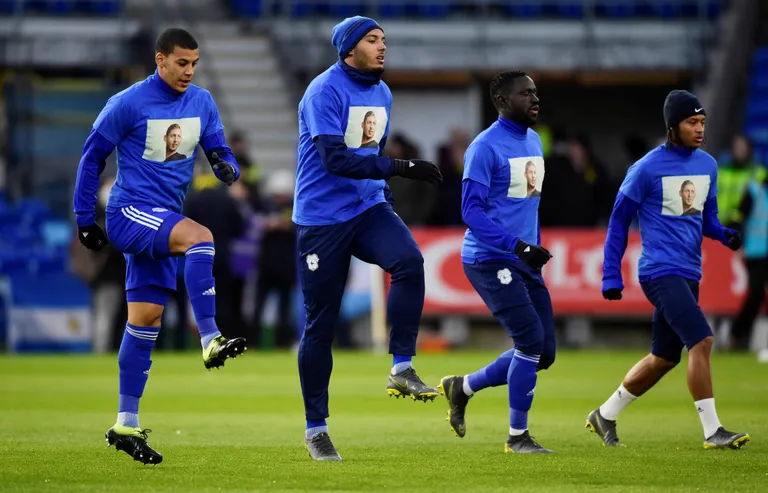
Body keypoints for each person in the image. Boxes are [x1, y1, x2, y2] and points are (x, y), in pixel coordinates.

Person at [72, 28, 247, 465]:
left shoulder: (202, 102)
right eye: (182, 63)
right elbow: (92, 156)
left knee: (146, 319)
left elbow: (219, 148)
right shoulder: (128, 102)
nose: (189, 71)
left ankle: (125, 423)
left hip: (162, 219)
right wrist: (83, 218)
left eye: (194, 63)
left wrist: (227, 165)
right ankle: (209, 337)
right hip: (130, 213)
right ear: (160, 60)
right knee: (201, 237)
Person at [294, 15, 443, 461]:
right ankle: (316, 430)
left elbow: (369, 153)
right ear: (349, 48)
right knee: (321, 326)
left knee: (409, 262)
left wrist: (385, 191)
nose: (382, 47)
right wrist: (400, 166)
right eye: (373, 40)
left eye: (384, 40)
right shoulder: (324, 90)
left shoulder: (382, 91)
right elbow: (335, 159)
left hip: (367, 208)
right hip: (321, 220)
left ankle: (401, 366)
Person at [590, 90, 749, 450]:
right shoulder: (646, 168)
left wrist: (724, 234)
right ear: (672, 127)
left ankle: (605, 414)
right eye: (692, 122)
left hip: (689, 273)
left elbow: (706, 219)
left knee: (663, 358)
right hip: (660, 272)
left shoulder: (708, 165)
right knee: (703, 339)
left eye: (703, 123)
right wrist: (611, 274)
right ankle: (713, 432)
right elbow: (619, 221)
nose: (700, 129)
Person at [437, 70, 556, 454]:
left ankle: (463, 387)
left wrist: (530, 248)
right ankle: (517, 437)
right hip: (490, 258)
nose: (535, 99)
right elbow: (470, 212)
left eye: (536, 93)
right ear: (503, 102)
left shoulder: (535, 140)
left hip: (523, 259)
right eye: (526, 94)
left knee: (545, 353)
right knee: (530, 341)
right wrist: (517, 246)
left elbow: (523, 204)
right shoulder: (485, 147)